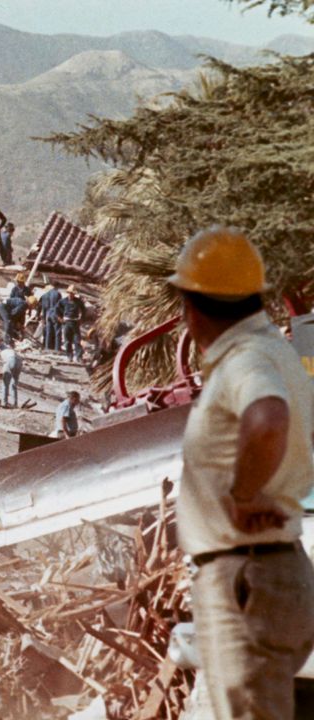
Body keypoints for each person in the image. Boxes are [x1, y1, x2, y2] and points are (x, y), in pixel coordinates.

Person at [166, 227, 314, 719]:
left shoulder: (247, 360)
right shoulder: (273, 350)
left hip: (247, 576)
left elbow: (267, 418)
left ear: (193, 307)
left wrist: (243, 494)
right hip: (265, 571)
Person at [58, 285, 86, 361]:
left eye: (72, 293)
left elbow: (84, 310)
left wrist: (81, 319)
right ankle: (69, 356)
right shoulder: (63, 301)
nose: (71, 294)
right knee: (67, 341)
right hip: (67, 322)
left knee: (77, 340)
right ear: (68, 293)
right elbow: (57, 310)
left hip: (75, 322)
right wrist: (60, 318)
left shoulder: (78, 301)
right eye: (70, 293)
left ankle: (79, 357)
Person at [38, 283, 62, 351]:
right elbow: (59, 306)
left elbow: (43, 307)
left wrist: (44, 318)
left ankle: (47, 347)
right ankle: (57, 348)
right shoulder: (58, 294)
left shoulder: (44, 295)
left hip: (48, 314)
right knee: (57, 331)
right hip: (55, 313)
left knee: (48, 331)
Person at [0, 342, 22, 408]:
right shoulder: (11, 350)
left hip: (11, 360)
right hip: (19, 361)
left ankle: (4, 403)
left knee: (5, 383)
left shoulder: (1, 352)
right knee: (14, 384)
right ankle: (15, 404)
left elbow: (6, 366)